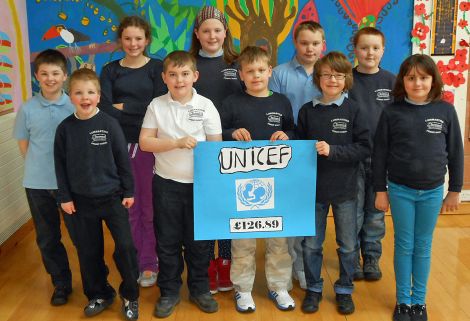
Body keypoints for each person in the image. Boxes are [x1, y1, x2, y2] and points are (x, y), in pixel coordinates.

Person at [373, 54, 464, 321]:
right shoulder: (392, 112)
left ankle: (418, 302)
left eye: (423, 77)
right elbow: (380, 153)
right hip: (400, 190)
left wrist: (455, 190)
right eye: (411, 78)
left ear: (433, 80)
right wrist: (381, 190)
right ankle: (403, 302)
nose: (418, 83)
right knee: (404, 244)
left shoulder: (445, 110)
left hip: (433, 191)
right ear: (403, 80)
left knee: (423, 245)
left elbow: (456, 153)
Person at [139, 51, 221, 318]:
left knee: (198, 243)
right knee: (168, 242)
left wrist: (209, 184)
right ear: (164, 78)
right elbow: (145, 143)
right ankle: (170, 292)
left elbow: (216, 147)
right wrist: (175, 142)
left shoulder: (207, 106)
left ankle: (199, 289)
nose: (179, 79)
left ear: (195, 76)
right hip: (166, 185)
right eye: (172, 75)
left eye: (185, 74)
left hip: (199, 186)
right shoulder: (156, 105)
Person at [54, 68, 139, 320]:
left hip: (113, 197)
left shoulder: (109, 124)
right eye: (78, 92)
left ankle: (130, 295)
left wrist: (129, 190)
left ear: (99, 96)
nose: (85, 97)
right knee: (88, 251)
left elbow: (123, 161)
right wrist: (64, 196)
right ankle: (99, 293)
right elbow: (59, 165)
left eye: (90, 92)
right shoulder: (64, 129)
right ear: (70, 96)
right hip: (80, 202)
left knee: (125, 247)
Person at [220, 46, 296, 313]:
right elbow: (218, 134)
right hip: (242, 185)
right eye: (249, 71)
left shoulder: (282, 102)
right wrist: (231, 132)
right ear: (240, 74)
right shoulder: (231, 103)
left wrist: (287, 136)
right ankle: (242, 289)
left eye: (261, 70)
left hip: (278, 183)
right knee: (243, 240)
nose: (255, 76)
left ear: (269, 71)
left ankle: (279, 285)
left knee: (279, 238)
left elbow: (292, 131)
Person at [297, 52, 370, 315]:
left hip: (346, 190)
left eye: (339, 75)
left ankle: (344, 289)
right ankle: (314, 289)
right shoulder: (307, 111)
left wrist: (334, 151)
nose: (332, 79)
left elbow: (364, 148)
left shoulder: (354, 110)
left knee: (348, 245)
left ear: (347, 79)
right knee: (311, 245)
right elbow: (298, 148)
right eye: (327, 74)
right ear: (318, 78)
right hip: (313, 190)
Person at [99, 16, 165, 288]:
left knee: (150, 208)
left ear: (147, 40)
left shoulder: (158, 68)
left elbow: (160, 108)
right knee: (129, 207)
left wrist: (125, 107)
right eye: (127, 38)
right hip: (119, 147)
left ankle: (151, 262)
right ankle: (134, 259)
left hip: (151, 146)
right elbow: (105, 109)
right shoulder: (110, 70)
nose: (133, 43)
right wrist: (138, 108)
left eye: (139, 38)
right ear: (120, 41)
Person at [12, 49, 75, 306]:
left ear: (65, 76)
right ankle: (61, 283)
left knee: (81, 235)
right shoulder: (27, 109)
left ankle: (96, 282)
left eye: (56, 73)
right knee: (48, 237)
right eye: (44, 74)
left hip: (70, 185)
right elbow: (25, 146)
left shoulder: (74, 104)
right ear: (37, 76)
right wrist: (41, 168)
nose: (50, 78)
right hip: (37, 185)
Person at [189, 5, 244, 294]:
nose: (212, 35)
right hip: (197, 150)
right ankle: (206, 262)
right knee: (204, 209)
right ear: (197, 34)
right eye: (206, 30)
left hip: (232, 148)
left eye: (217, 30)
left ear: (225, 33)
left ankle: (226, 260)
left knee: (227, 208)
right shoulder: (187, 65)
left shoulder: (238, 64)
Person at [269, 20, 325, 290]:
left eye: (315, 43)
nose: (309, 48)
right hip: (289, 149)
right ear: (295, 43)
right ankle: (292, 265)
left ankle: (305, 265)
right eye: (304, 43)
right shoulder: (279, 73)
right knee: (290, 210)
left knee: (310, 213)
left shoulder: (329, 74)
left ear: (322, 45)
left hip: (319, 150)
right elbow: (274, 110)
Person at [348, 27, 396, 281]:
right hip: (354, 158)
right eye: (364, 47)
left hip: (383, 159)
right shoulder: (346, 80)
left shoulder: (392, 81)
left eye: (375, 48)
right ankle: (353, 256)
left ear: (383, 51)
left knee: (376, 211)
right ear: (355, 50)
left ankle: (372, 256)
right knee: (354, 210)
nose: (370, 52)